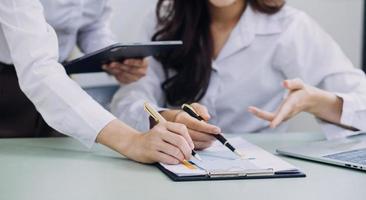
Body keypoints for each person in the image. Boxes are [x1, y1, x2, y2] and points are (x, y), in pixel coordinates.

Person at [111, 0, 366, 150]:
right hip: (177, 160)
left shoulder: (290, 27)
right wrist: (166, 118)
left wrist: (315, 102)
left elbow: (361, 101)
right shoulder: (166, 20)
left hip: (262, 170)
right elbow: (128, 101)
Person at [0, 0, 194, 165]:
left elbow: (91, 25)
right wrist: (131, 141)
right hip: (11, 85)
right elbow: (38, 68)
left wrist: (114, 59)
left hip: (61, 85)